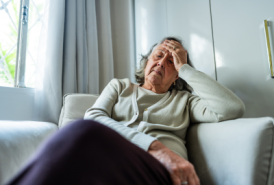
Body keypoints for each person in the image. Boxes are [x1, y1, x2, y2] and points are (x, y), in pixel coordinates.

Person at [6, 37, 245, 185]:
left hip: (163, 172)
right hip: (113, 162)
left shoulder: (184, 100)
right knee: (75, 140)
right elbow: (94, 116)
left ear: (177, 76)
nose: (162, 63)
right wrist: (155, 148)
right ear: (147, 61)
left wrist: (186, 68)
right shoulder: (120, 86)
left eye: (172, 61)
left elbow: (231, 108)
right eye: (159, 55)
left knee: (80, 133)